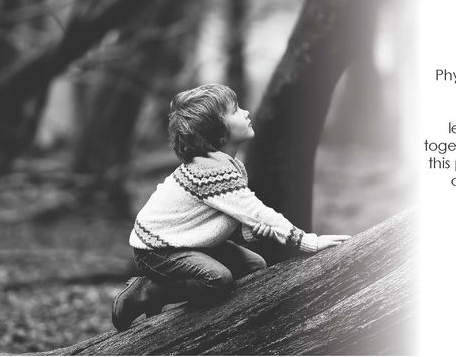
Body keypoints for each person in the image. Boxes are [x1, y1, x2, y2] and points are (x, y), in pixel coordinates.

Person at [112, 84, 350, 332]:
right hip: (156, 249)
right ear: (221, 135)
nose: (246, 112)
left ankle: (227, 324)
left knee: (254, 266)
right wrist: (308, 242)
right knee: (218, 278)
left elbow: (219, 220)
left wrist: (250, 234)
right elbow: (258, 211)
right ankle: (146, 292)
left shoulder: (229, 165)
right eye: (236, 110)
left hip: (186, 241)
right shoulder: (209, 170)